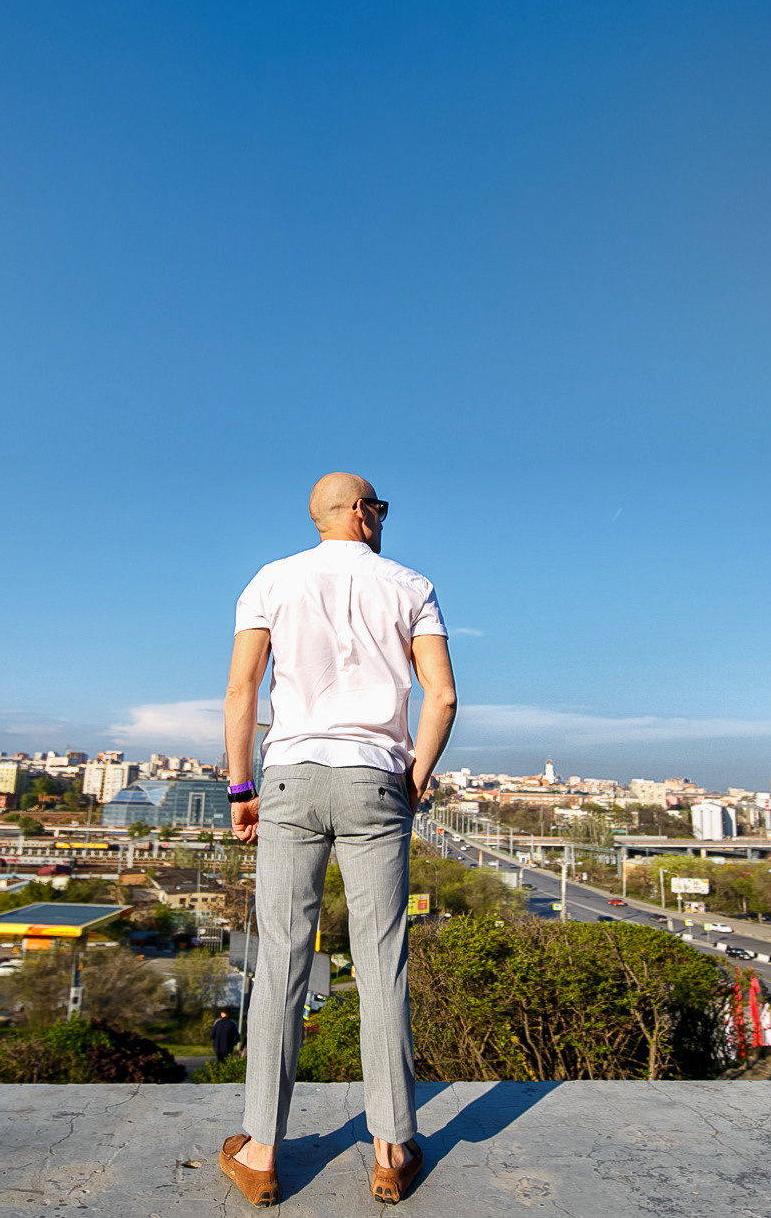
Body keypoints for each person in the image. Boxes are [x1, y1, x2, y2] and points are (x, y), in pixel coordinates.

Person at [217, 473, 457, 1208]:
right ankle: (392, 1148)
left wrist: (240, 788)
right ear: (359, 512)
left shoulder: (269, 580)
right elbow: (443, 696)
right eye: (379, 508)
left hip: (290, 778)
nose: (382, 519)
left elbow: (242, 690)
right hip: (375, 778)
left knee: (282, 958)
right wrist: (414, 777)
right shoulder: (412, 585)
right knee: (382, 960)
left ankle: (262, 1152)